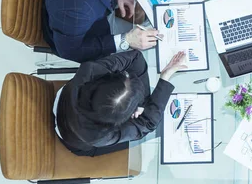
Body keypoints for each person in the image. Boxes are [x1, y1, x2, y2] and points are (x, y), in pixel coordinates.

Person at [54, 50, 186, 156]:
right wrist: (165, 77)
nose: (128, 76)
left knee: (151, 111)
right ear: (122, 120)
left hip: (66, 97)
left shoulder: (90, 71)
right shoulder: (99, 136)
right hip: (71, 137)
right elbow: (149, 124)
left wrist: (140, 104)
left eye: (125, 77)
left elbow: (135, 58)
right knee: (159, 127)